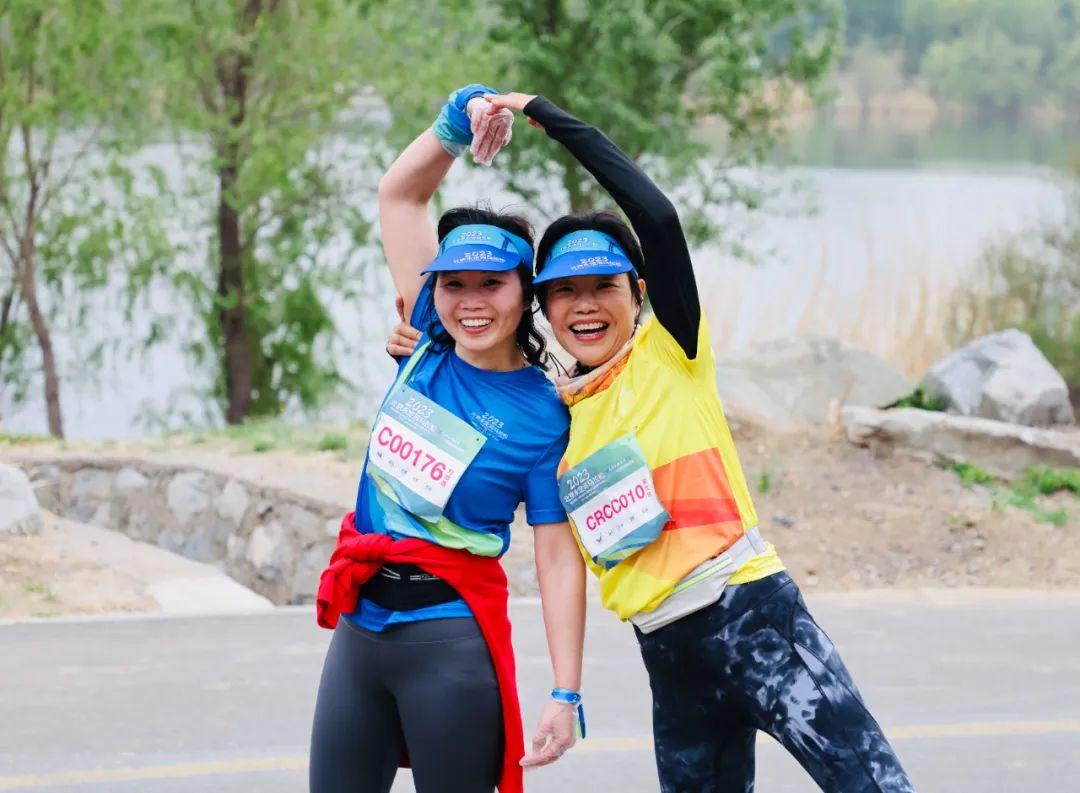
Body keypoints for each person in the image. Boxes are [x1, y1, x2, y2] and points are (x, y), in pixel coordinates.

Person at [388, 91, 916, 793]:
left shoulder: (674, 351)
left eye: (603, 286)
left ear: (636, 292)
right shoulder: (557, 412)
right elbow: (466, 359)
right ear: (542, 307)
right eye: (563, 291)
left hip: (752, 616)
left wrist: (550, 118)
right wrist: (418, 350)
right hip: (666, 649)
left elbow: (659, 219)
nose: (584, 305)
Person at [311, 85, 586, 793]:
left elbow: (556, 557)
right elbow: (400, 197)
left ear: (525, 292)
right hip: (359, 630)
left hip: (451, 642)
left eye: (491, 284)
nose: (470, 302)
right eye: (453, 284)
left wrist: (565, 690)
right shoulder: (427, 341)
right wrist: (455, 123)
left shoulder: (545, 415)